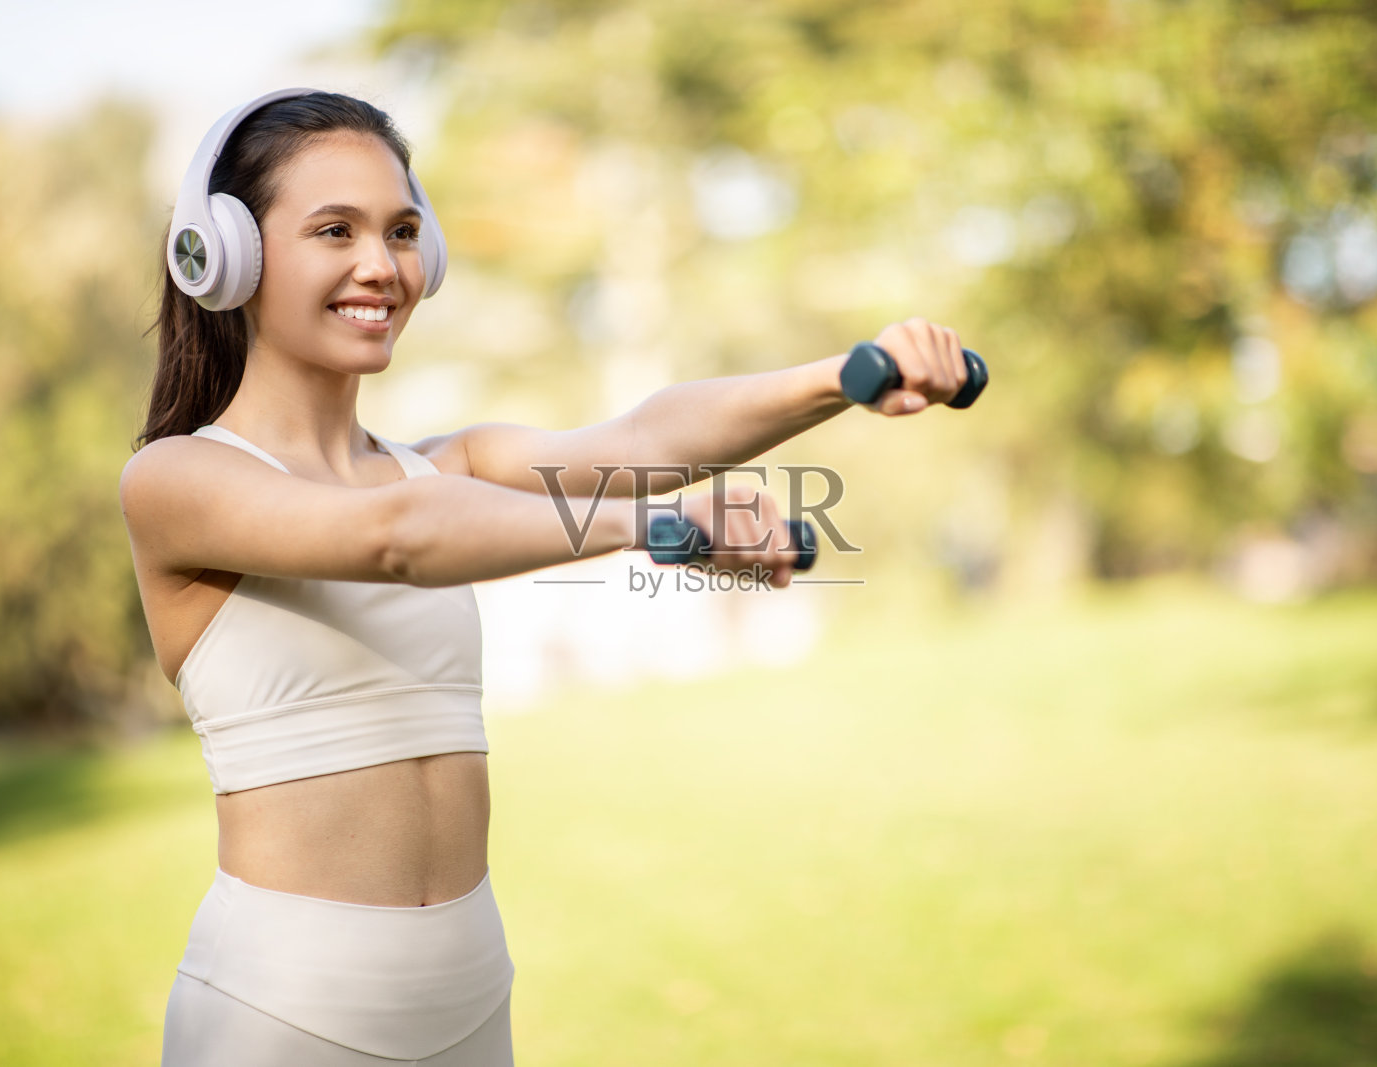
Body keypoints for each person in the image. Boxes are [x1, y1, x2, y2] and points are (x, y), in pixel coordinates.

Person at [120, 87, 969, 1066]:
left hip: (472, 997)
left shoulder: (446, 462)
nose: (379, 264)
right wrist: (657, 527)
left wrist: (847, 375)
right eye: (333, 229)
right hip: (282, 1012)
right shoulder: (178, 480)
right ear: (226, 254)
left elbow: (645, 436)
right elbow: (396, 535)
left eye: (401, 230)